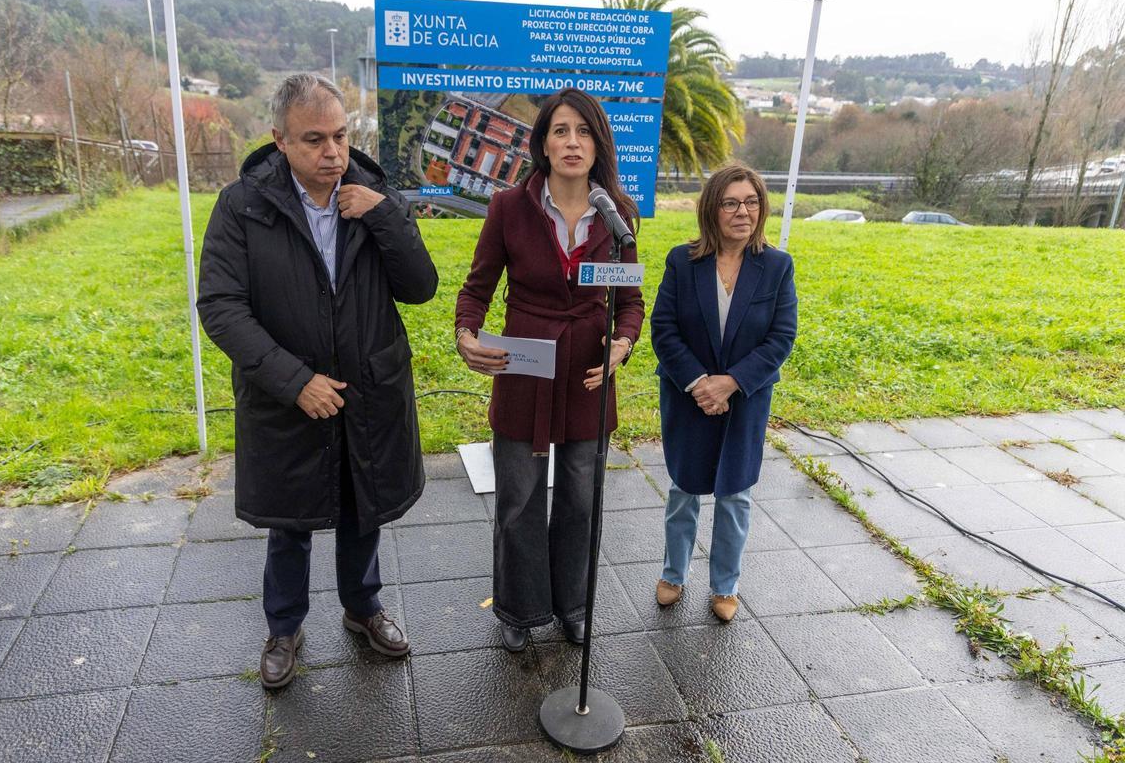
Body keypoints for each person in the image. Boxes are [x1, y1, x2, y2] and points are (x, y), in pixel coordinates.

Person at [197, 73, 438, 689]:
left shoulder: (373, 194)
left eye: (340, 136)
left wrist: (384, 216)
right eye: (314, 140)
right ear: (279, 140)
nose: (333, 152)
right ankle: (284, 626)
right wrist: (294, 379)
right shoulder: (243, 206)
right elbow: (221, 306)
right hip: (288, 397)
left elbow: (420, 287)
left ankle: (363, 608)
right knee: (291, 516)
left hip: (368, 387)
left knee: (364, 506)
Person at [455, 87, 645, 652]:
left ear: (599, 143)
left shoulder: (617, 215)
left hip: (588, 373)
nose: (572, 142)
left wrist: (622, 346)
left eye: (583, 131)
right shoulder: (509, 208)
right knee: (519, 496)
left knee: (581, 499)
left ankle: (574, 605)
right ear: (542, 142)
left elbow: (631, 303)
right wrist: (467, 336)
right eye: (560, 130)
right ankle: (518, 608)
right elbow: (477, 289)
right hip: (525, 370)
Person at [650, 164, 797, 622]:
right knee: (684, 488)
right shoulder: (682, 261)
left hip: (745, 399)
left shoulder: (776, 266)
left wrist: (730, 382)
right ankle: (674, 574)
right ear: (711, 209)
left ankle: (725, 586)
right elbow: (664, 329)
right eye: (731, 202)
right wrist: (700, 383)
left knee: (735, 494)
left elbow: (781, 336)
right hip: (688, 394)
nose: (743, 212)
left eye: (751, 202)